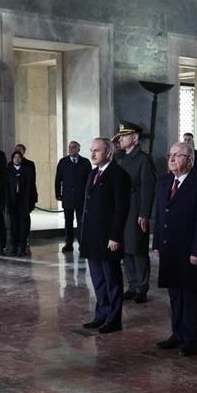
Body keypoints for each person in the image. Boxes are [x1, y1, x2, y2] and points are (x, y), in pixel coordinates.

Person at [153, 142, 197, 356]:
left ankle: (191, 339)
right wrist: (157, 243)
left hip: (190, 251)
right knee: (174, 295)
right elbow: (160, 215)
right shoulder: (164, 182)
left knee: (190, 297)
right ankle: (177, 333)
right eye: (170, 155)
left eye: (177, 155)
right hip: (169, 249)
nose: (171, 159)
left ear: (190, 160)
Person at [80, 137, 132, 333]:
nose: (92, 154)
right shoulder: (93, 173)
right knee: (98, 280)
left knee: (112, 280)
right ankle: (101, 314)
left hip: (109, 238)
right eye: (91, 150)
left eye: (97, 150)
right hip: (92, 237)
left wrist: (115, 236)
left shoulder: (119, 175)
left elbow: (121, 209)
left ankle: (114, 319)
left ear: (109, 153)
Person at [113, 121, 156, 304]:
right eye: (120, 136)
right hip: (122, 210)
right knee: (126, 250)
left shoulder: (143, 159)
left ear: (135, 138)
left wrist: (144, 213)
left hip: (136, 210)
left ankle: (142, 287)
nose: (121, 139)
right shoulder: (121, 158)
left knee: (137, 249)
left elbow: (148, 188)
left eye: (124, 136)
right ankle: (132, 285)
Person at [54, 141, 92, 252]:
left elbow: (89, 180)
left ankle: (82, 244)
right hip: (68, 197)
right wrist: (58, 194)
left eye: (74, 147)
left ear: (78, 149)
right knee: (68, 222)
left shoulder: (85, 162)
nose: (71, 149)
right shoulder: (63, 162)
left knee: (81, 222)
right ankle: (68, 244)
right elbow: (58, 179)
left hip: (81, 198)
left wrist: (89, 195)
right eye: (70, 147)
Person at [5, 150, 37, 256]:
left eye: (19, 157)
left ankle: (22, 248)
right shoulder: (8, 171)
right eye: (15, 157)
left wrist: (32, 201)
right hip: (12, 203)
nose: (17, 159)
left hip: (24, 202)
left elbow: (32, 187)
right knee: (13, 226)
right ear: (12, 159)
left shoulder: (27, 170)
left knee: (23, 226)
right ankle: (14, 247)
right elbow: (6, 188)